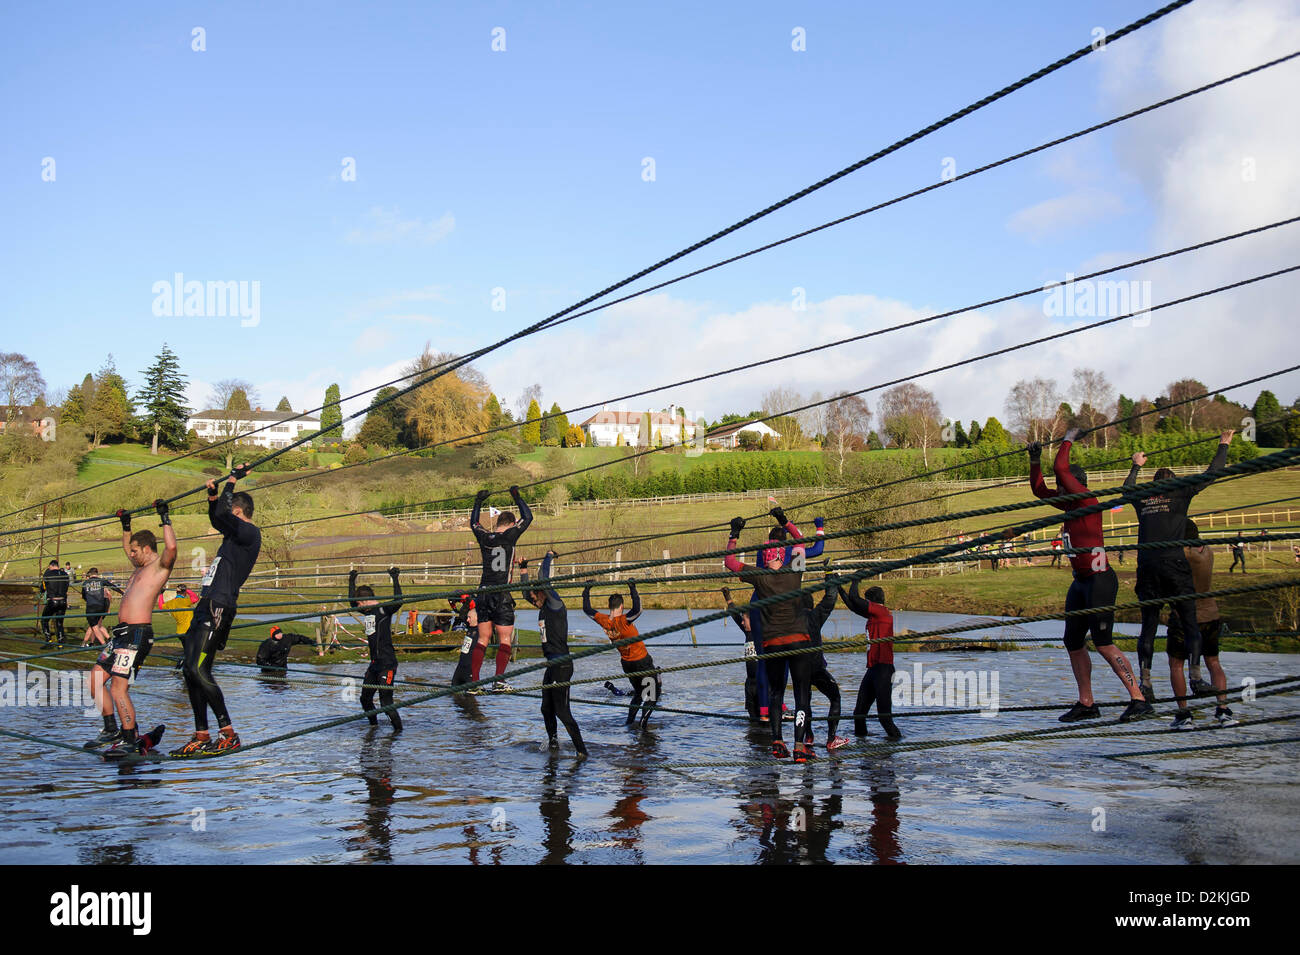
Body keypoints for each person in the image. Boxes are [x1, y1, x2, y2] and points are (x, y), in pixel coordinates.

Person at [1030, 432, 1151, 723]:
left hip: (1099, 580)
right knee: (1072, 641)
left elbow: (1060, 467)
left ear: (1073, 484)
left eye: (1062, 485)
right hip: (1081, 582)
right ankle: (1087, 702)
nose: (1058, 489)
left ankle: (1139, 698)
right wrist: (1034, 459)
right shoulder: (1069, 504)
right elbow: (1039, 490)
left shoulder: (1085, 499)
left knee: (1103, 642)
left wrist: (1068, 440)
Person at [1124, 431, 1233, 703]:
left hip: (1147, 566)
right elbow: (1213, 473)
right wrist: (1223, 444)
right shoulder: (1181, 491)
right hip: (1173, 563)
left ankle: (1145, 682)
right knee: (1189, 621)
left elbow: (1126, 488)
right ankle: (1196, 677)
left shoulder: (1144, 497)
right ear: (1174, 481)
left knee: (1148, 627)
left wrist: (1136, 465)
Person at [171, 465, 261, 757]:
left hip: (219, 607)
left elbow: (221, 515)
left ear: (238, 512)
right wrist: (212, 497)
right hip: (205, 604)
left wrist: (231, 480)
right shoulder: (232, 535)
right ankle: (201, 735)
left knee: (198, 668)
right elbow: (217, 515)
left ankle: (228, 733)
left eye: (229, 513)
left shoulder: (249, 533)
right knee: (190, 671)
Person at [83, 501, 176, 755]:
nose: (130, 555)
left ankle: (128, 737)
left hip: (137, 635)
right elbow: (128, 546)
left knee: (118, 688)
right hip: (120, 635)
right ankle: (111, 728)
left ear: (146, 549)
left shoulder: (159, 568)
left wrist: (164, 518)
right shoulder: (139, 567)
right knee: (93, 680)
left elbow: (171, 547)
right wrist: (126, 526)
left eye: (135, 551)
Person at [724, 508, 815, 762]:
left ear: (765, 557)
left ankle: (777, 740)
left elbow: (730, 563)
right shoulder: (795, 571)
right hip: (799, 641)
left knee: (776, 693)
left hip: (773, 642)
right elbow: (801, 541)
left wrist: (734, 534)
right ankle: (799, 745)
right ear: (783, 555)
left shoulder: (760, 577)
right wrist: (784, 521)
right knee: (801, 696)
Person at [452, 486, 532, 692]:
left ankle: (474, 683)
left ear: (497, 524)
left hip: (483, 593)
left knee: (483, 638)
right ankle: (499, 681)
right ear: (512, 524)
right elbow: (528, 517)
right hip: (501, 593)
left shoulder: (484, 537)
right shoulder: (511, 535)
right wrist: (517, 497)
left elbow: (474, 523)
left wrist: (478, 502)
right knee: (505, 638)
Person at [1166, 520, 1236, 729]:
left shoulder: (1183, 554)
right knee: (1213, 662)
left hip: (1185, 616)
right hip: (1210, 613)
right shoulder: (1208, 551)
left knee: (1176, 664)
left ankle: (1183, 713)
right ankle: (1223, 709)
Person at [521, 552, 587, 756]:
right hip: (551, 665)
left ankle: (582, 751)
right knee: (546, 708)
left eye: (534, 597)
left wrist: (549, 556)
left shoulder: (555, 604)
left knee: (562, 711)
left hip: (562, 665)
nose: (532, 601)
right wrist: (523, 569)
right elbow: (525, 593)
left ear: (541, 593)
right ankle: (554, 744)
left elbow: (543, 578)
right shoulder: (541, 606)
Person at [582, 580, 659, 728]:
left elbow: (587, 609)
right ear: (622, 606)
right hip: (642, 661)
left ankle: (629, 724)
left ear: (609, 607)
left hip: (627, 664)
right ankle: (643, 726)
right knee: (652, 695)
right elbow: (638, 610)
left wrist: (587, 589)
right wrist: (632, 587)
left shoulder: (604, 621)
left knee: (639, 693)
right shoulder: (624, 620)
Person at [837, 580, 901, 739]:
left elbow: (855, 598)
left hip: (884, 670)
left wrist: (855, 580)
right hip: (873, 670)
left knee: (884, 717)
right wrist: (838, 584)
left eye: (867, 601)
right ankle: (862, 745)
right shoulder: (875, 614)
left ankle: (897, 746)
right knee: (859, 714)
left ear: (871, 602)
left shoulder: (881, 612)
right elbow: (852, 605)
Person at [349, 567, 404, 731]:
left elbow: (399, 601)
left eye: (359, 603)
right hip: (374, 665)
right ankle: (373, 727)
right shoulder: (367, 612)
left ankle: (398, 732)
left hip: (387, 664)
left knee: (386, 703)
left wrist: (395, 579)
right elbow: (352, 602)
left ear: (366, 601)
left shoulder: (383, 609)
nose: (357, 607)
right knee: (365, 699)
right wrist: (351, 580)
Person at [799, 581, 850, 750]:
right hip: (816, 667)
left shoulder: (792, 620)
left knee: (804, 702)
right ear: (811, 605)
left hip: (799, 669)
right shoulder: (814, 616)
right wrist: (830, 578)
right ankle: (831, 739)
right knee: (835, 697)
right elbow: (830, 599)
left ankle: (808, 736)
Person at [722, 587, 762, 721]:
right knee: (752, 718)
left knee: (763, 717)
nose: (742, 622)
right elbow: (735, 616)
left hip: (761, 682)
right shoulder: (747, 633)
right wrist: (728, 599)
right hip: (750, 682)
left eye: (745, 620)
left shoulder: (761, 633)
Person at [79, 567, 122, 647]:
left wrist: (87, 599)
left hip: (91, 607)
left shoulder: (85, 583)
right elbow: (112, 586)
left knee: (94, 626)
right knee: (95, 626)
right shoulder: (101, 581)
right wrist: (122, 593)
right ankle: (91, 643)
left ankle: (104, 645)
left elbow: (84, 596)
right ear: (97, 573)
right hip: (100, 606)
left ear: (90, 574)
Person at [39, 559, 70, 647]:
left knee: (44, 620)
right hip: (63, 601)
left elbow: (43, 588)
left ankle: (48, 640)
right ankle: (60, 642)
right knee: (59, 622)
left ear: (51, 566)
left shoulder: (47, 574)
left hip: (53, 600)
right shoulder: (65, 574)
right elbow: (67, 587)